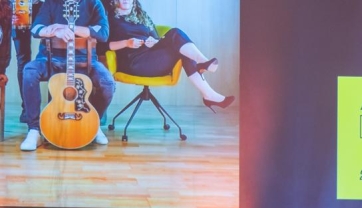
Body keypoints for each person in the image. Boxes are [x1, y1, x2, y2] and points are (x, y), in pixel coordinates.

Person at [19, 0, 115, 152]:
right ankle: (34, 130)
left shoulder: (94, 3)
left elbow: (103, 33)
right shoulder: (51, 3)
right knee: (29, 71)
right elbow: (36, 29)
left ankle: (92, 122)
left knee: (107, 83)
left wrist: (69, 28)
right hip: (50, 59)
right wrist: (53, 30)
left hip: (85, 60)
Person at [102, 0, 233, 109]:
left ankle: (208, 90)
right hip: (133, 62)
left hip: (151, 56)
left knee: (179, 42)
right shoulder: (109, 18)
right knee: (178, 39)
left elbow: (156, 38)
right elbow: (101, 46)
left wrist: (154, 42)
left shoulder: (141, 15)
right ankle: (206, 80)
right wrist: (126, 43)